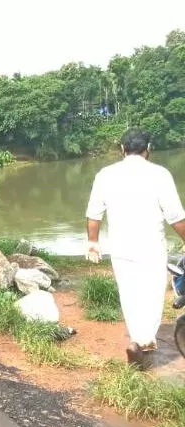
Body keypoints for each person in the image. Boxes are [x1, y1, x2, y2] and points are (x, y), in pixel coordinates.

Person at [85, 128, 185, 368]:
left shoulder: (105, 175)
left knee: (129, 293)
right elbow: (176, 217)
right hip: (151, 246)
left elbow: (94, 214)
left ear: (122, 149)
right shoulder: (159, 174)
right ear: (148, 149)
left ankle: (137, 340)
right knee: (152, 294)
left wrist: (93, 242)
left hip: (120, 246)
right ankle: (143, 341)